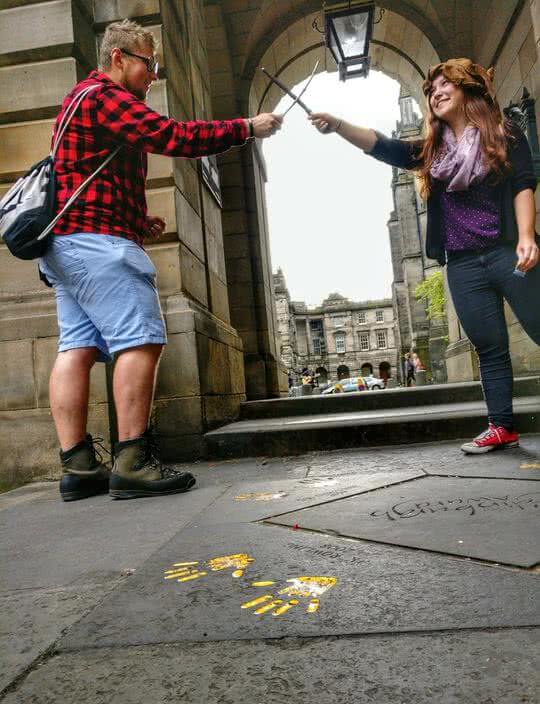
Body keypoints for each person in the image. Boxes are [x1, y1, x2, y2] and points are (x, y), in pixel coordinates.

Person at [40, 20, 283, 501]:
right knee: (141, 338)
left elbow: (85, 171)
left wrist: (137, 218)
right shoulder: (104, 96)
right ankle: (133, 460)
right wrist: (245, 128)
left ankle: (79, 467)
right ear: (119, 59)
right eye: (148, 65)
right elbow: (172, 136)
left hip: (67, 243)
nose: (153, 75)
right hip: (97, 242)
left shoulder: (78, 99)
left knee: (76, 348)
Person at [310, 58, 539, 454]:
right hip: (464, 264)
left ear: (467, 87)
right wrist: (339, 125)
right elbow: (385, 146)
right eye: (430, 90)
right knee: (489, 347)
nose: (435, 93)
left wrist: (526, 237)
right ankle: (502, 427)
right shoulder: (432, 152)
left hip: (506, 252)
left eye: (443, 84)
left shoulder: (506, 133)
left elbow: (522, 184)